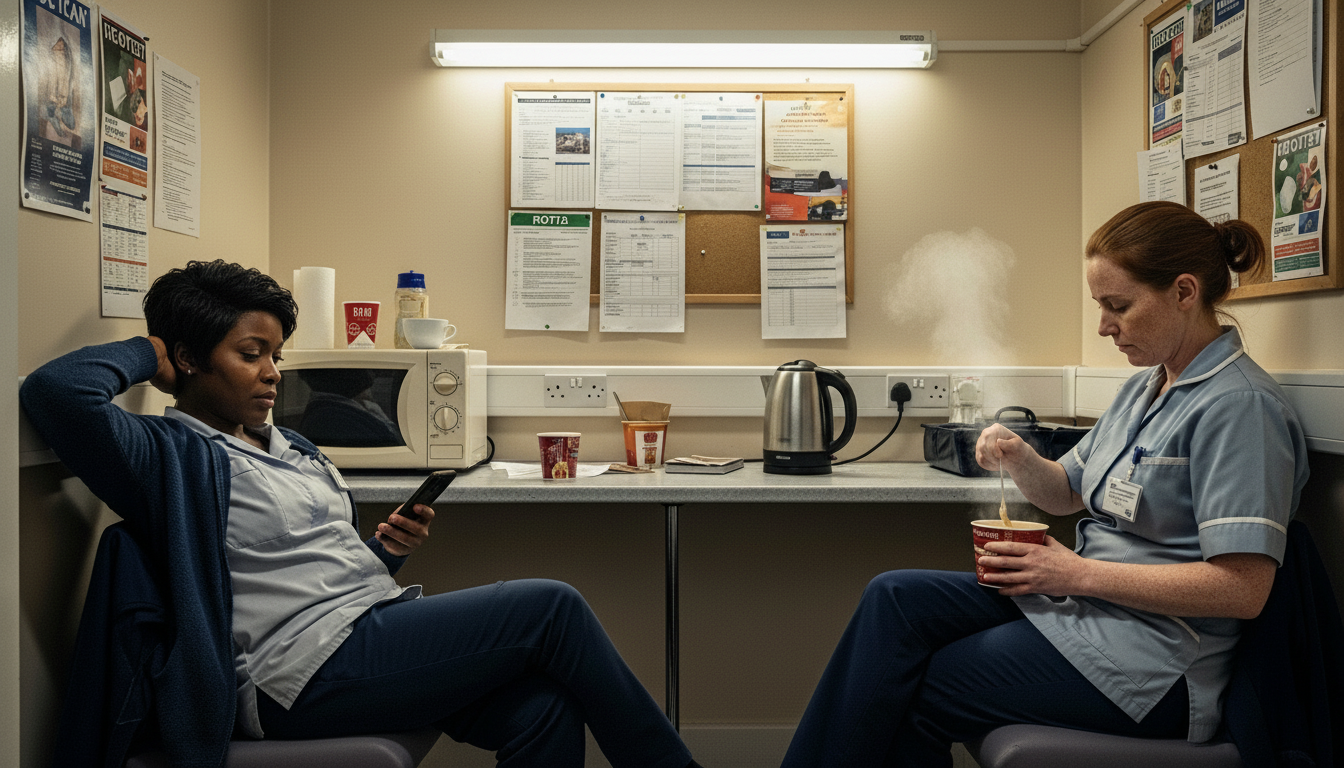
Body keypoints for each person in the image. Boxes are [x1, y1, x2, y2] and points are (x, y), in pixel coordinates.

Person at [22, 260, 704, 768]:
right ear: (193, 360)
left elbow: (295, 567)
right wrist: (153, 352)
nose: (272, 374)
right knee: (551, 606)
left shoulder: (291, 445)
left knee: (542, 711)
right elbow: (58, 394)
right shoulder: (164, 454)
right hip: (296, 676)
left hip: (363, 632)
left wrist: (384, 554)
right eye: (250, 354)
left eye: (276, 356)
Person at [779, 201, 1310, 767]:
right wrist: (1018, 457)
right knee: (894, 597)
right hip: (1087, 608)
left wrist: (1074, 572)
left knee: (915, 687)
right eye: (1100, 306)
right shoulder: (1147, 387)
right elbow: (1066, 492)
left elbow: (1242, 590)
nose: (1105, 325)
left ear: (1184, 291)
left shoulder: (1241, 408)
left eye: (1118, 306)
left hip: (1156, 663)